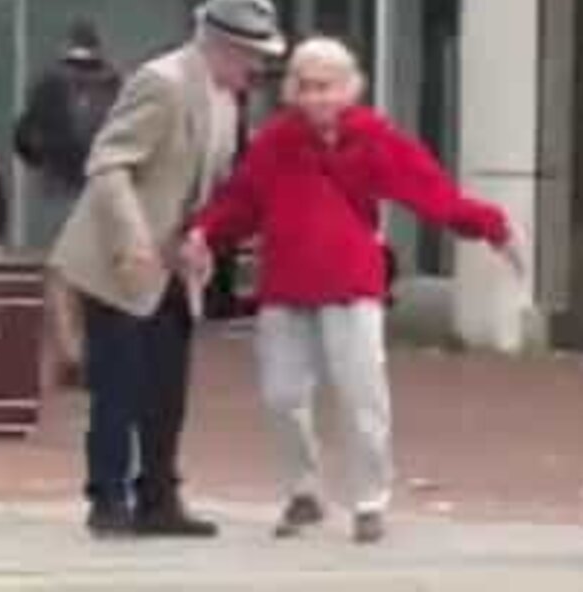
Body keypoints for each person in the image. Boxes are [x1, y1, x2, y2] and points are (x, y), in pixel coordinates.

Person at [181, 37, 522, 544]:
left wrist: (493, 227)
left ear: (349, 89)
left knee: (362, 394)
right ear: (292, 90)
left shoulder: (374, 138)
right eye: (305, 86)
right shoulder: (276, 142)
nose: (315, 97)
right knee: (282, 395)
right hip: (286, 285)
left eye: (326, 87)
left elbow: (431, 193)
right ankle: (304, 492)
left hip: (351, 283)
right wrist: (204, 232)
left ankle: (369, 500)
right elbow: (243, 201)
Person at [50, 0, 285, 539]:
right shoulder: (162, 83)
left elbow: (210, 181)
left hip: (174, 259)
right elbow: (109, 162)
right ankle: (107, 499)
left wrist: (200, 240)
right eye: (252, 55)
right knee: (118, 385)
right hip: (121, 256)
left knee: (166, 385)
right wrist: (133, 241)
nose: (257, 67)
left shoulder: (228, 99)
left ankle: (158, 497)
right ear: (220, 46)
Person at [16, 20, 121, 388]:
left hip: (59, 185)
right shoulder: (115, 84)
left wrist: (40, 160)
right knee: (95, 273)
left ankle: (71, 350)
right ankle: (95, 352)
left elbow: (24, 137)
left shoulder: (48, 83)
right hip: (105, 187)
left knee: (60, 272)